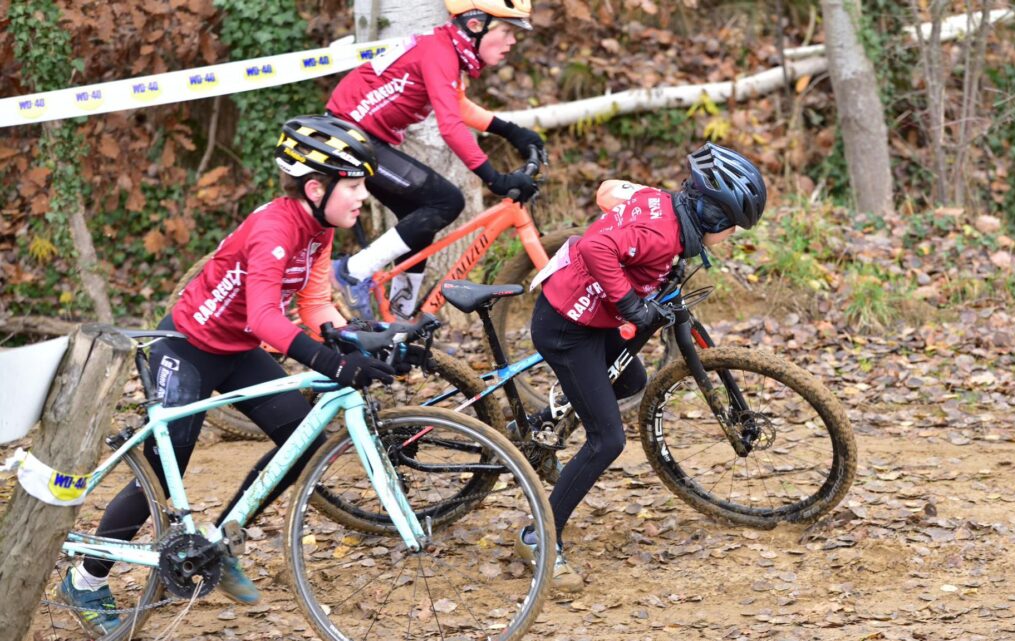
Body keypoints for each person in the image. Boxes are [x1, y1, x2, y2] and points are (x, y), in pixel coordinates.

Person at [56, 115, 398, 636]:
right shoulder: (276, 230)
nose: (362, 197)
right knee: (163, 468)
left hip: (237, 349)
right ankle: (86, 578)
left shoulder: (320, 228)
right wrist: (330, 362)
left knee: (300, 438)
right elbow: (265, 317)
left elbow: (313, 303)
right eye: (353, 186)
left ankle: (216, 540)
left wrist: (359, 343)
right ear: (315, 187)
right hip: (187, 348)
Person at [514, 143, 768, 592]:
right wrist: (633, 305)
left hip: (591, 315)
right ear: (712, 217)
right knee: (607, 440)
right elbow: (595, 245)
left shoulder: (667, 203)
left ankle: (542, 431)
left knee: (631, 376)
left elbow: (610, 192)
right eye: (733, 226)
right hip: (567, 328)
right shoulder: (662, 234)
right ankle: (539, 539)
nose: (733, 235)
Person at [325, 0, 545, 321]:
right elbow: (451, 126)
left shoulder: (443, 49)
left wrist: (512, 131)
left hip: (359, 136)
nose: (512, 41)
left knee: (420, 219)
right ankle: (349, 272)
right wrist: (494, 178)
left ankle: (400, 321)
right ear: (474, 25)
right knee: (446, 201)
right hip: (349, 136)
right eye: (507, 31)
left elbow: (458, 105)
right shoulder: (439, 52)